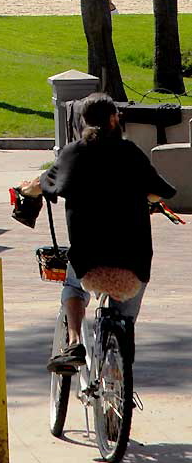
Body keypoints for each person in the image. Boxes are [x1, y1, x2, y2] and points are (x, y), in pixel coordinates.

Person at [20, 93, 176, 373]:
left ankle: (74, 341)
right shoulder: (129, 153)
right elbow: (161, 191)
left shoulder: (73, 153)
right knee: (125, 316)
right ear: (115, 119)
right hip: (132, 257)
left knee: (73, 285)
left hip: (89, 255)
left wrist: (24, 190)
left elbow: (41, 184)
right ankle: (119, 371)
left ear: (83, 122)